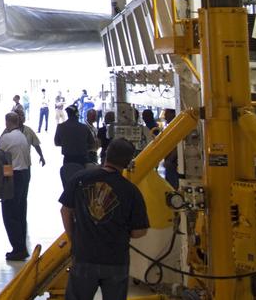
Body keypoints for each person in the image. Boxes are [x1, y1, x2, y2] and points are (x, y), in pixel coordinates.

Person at [60, 138, 149, 300]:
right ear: (129, 162)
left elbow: (65, 211)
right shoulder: (131, 191)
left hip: (84, 256)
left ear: (106, 153)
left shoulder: (80, 178)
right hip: (116, 260)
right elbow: (139, 232)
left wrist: (74, 238)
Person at [0, 112, 34, 261]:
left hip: (13, 177)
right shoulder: (22, 136)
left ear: (7, 122)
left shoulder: (7, 137)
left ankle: (17, 249)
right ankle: (21, 247)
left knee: (9, 214)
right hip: (24, 175)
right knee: (20, 212)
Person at [55, 105, 98, 186]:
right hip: (82, 160)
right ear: (77, 114)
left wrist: (67, 143)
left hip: (67, 159)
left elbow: (56, 142)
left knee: (68, 183)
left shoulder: (61, 127)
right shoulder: (84, 127)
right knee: (82, 184)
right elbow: (92, 144)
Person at [161, 108, 180, 189]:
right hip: (170, 162)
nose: (165, 117)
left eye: (166, 114)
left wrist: (170, 160)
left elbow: (177, 145)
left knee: (172, 187)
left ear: (173, 114)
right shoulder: (171, 127)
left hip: (173, 163)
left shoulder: (177, 128)